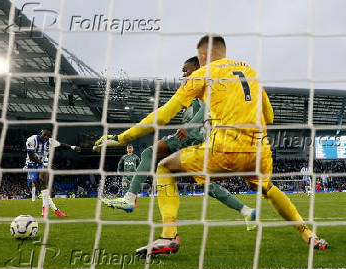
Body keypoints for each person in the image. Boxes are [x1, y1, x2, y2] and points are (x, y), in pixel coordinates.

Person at [95, 35, 328, 256]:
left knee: (165, 167)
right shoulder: (250, 72)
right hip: (258, 151)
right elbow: (269, 115)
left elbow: (164, 115)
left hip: (224, 150)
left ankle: (168, 235)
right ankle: (309, 235)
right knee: (268, 189)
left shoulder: (205, 73)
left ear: (204, 55)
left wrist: (122, 138)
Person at [101, 56, 257, 231]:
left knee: (148, 153)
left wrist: (188, 127)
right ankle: (246, 211)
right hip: (197, 141)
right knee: (208, 184)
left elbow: (207, 110)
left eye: (186, 70)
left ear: (198, 68)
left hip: (192, 137)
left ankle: (129, 199)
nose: (183, 74)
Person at [24, 128, 81, 217]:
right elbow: (31, 156)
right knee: (37, 186)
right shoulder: (31, 140)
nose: (46, 137)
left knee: (43, 181)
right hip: (31, 165)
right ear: (40, 133)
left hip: (43, 163)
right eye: (44, 135)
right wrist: (44, 163)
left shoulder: (50, 141)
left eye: (48, 136)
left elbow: (61, 145)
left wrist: (73, 147)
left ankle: (54, 209)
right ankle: (48, 207)